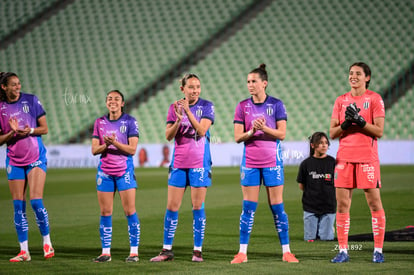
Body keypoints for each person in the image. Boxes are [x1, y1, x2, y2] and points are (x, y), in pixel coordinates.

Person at [231, 64, 299, 264]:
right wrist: (252, 131)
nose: (250, 85)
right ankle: (242, 253)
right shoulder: (242, 106)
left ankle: (286, 252)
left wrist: (265, 128)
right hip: (250, 162)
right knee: (248, 208)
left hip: (272, 161)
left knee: (277, 207)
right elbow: (237, 137)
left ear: (264, 83)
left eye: (254, 81)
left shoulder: (277, 104)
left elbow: (282, 134)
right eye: (248, 81)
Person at [150, 74, 214, 262]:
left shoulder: (207, 106)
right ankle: (167, 250)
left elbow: (202, 131)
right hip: (178, 163)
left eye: (198, 87)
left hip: (200, 163)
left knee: (197, 206)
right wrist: (178, 119)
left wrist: (188, 112)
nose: (195, 90)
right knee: (172, 206)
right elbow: (169, 136)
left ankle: (197, 251)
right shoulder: (173, 107)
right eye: (191, 87)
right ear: (183, 89)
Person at [329, 62, 386, 263]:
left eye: (358, 74)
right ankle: (343, 251)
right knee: (343, 204)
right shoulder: (340, 100)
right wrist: (345, 123)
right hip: (344, 158)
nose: (353, 76)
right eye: (351, 73)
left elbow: (379, 131)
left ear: (367, 78)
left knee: (374, 203)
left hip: (367, 159)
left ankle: (378, 250)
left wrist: (361, 122)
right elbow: (333, 133)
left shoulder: (375, 99)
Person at [0, 72, 54, 262]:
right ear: (4, 87)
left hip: (35, 157)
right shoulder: (0, 108)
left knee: (36, 201)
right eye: (13, 84)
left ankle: (47, 242)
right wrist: (11, 134)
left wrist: (28, 130)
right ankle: (24, 251)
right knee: (18, 206)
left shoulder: (31, 100)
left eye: (19, 83)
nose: (17, 87)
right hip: (14, 160)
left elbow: (44, 129)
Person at [91, 90, 141, 263]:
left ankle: (134, 252)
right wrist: (106, 144)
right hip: (104, 172)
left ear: (122, 103)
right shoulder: (99, 122)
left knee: (129, 211)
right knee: (105, 211)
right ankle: (106, 252)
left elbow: (132, 150)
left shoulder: (130, 121)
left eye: (116, 99)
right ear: (106, 103)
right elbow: (94, 150)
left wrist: (115, 143)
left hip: (124, 172)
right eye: (110, 99)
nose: (112, 101)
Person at [296, 132, 336, 242]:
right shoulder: (306, 164)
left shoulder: (333, 162)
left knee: (326, 239)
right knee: (310, 239)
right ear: (313, 145)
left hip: (328, 206)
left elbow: (337, 183)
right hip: (310, 207)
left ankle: (329, 229)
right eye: (320, 143)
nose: (324, 145)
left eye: (326, 143)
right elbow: (301, 185)